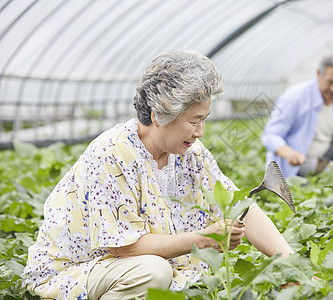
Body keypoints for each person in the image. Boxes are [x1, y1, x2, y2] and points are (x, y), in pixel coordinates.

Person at [23, 49, 293, 300]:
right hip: (76, 271)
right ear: (159, 115)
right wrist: (202, 239)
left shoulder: (190, 153)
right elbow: (124, 248)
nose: (200, 132)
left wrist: (292, 268)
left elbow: (236, 204)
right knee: (154, 272)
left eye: (204, 119)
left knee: (167, 272)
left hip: (122, 268)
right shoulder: (113, 153)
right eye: (193, 121)